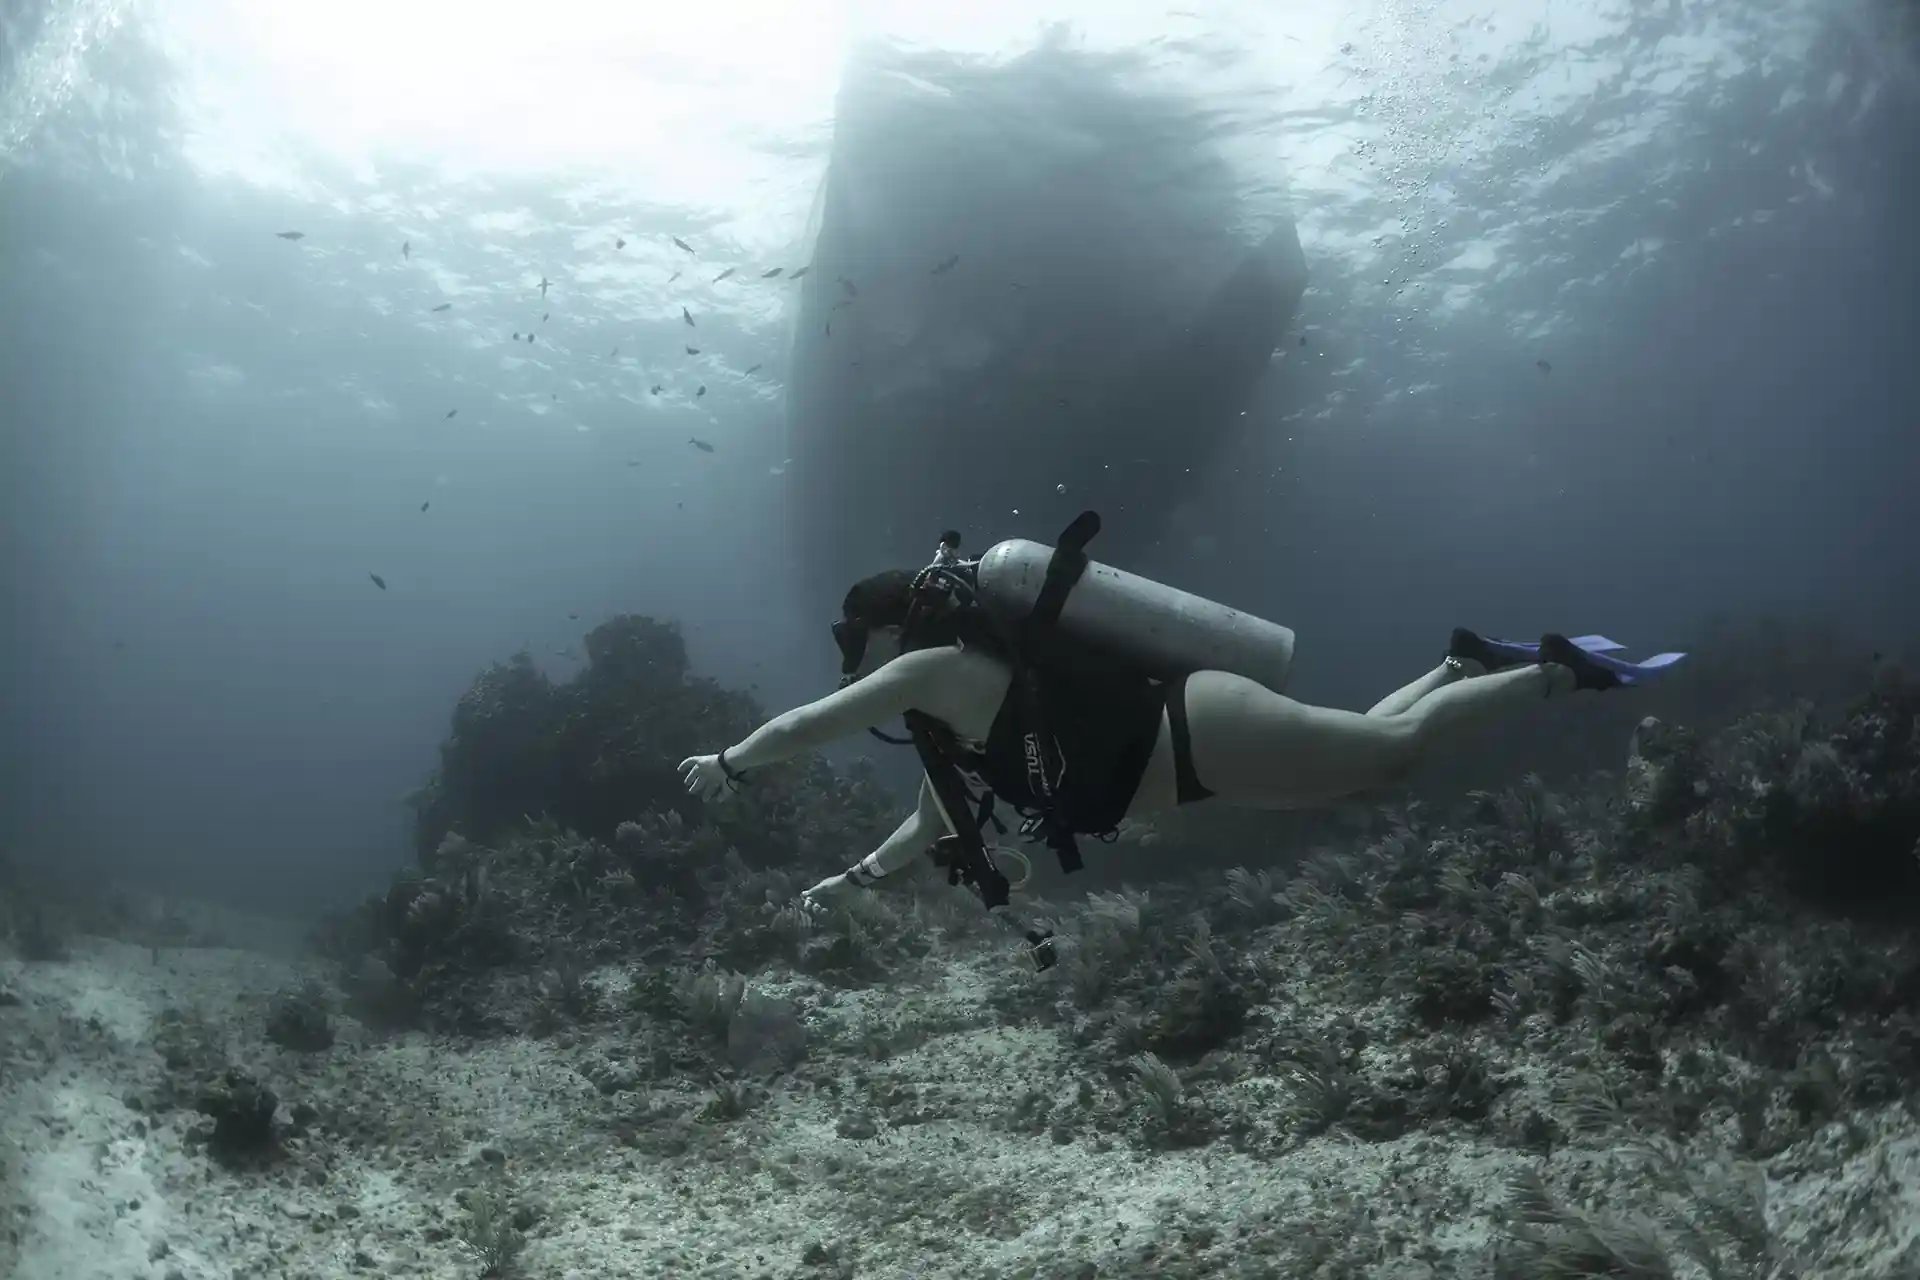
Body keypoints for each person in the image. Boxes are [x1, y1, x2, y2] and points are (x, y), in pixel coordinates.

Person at [679, 521, 1681, 916]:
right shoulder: (948, 705)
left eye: (854, 639)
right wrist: (849, 879)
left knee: (1394, 753)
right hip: (1202, 762)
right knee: (1381, 760)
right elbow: (934, 817)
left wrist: (732, 759)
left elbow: (810, 721)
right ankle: (1460, 661)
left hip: (1197, 730)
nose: (852, 662)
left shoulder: (930, 670)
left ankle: (1557, 671)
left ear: (889, 627)